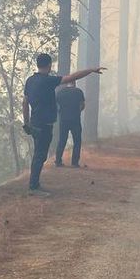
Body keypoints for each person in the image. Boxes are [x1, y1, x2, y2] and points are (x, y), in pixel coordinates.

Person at [22, 54, 104, 194]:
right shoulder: (48, 81)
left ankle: (35, 183)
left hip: (35, 122)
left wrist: (27, 123)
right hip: (45, 124)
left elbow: (25, 102)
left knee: (39, 153)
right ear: (49, 65)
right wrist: (90, 70)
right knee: (40, 155)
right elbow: (72, 77)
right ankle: (33, 186)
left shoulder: (30, 80)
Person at [54, 81, 85, 168]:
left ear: (66, 83)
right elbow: (82, 105)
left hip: (63, 119)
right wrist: (78, 111)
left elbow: (56, 105)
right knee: (77, 141)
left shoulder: (60, 93)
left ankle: (58, 161)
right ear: (74, 83)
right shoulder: (78, 92)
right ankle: (74, 163)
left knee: (62, 140)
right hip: (75, 119)